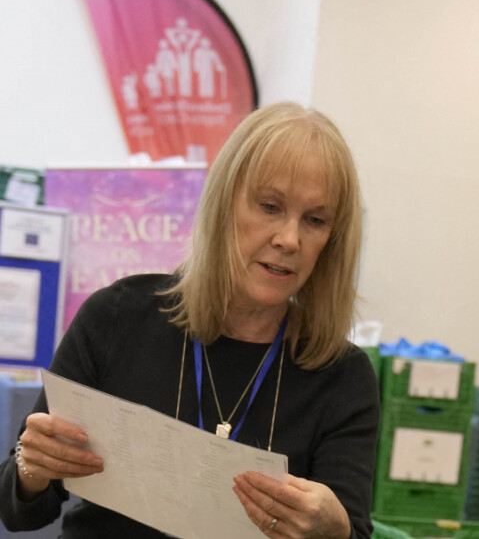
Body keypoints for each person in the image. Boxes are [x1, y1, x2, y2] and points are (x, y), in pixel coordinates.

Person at [0, 102, 381, 538]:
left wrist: (337, 530)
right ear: (223, 204)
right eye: (270, 206)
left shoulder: (341, 376)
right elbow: (19, 510)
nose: (289, 239)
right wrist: (33, 469)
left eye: (315, 220)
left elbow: (352, 530)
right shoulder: (117, 318)